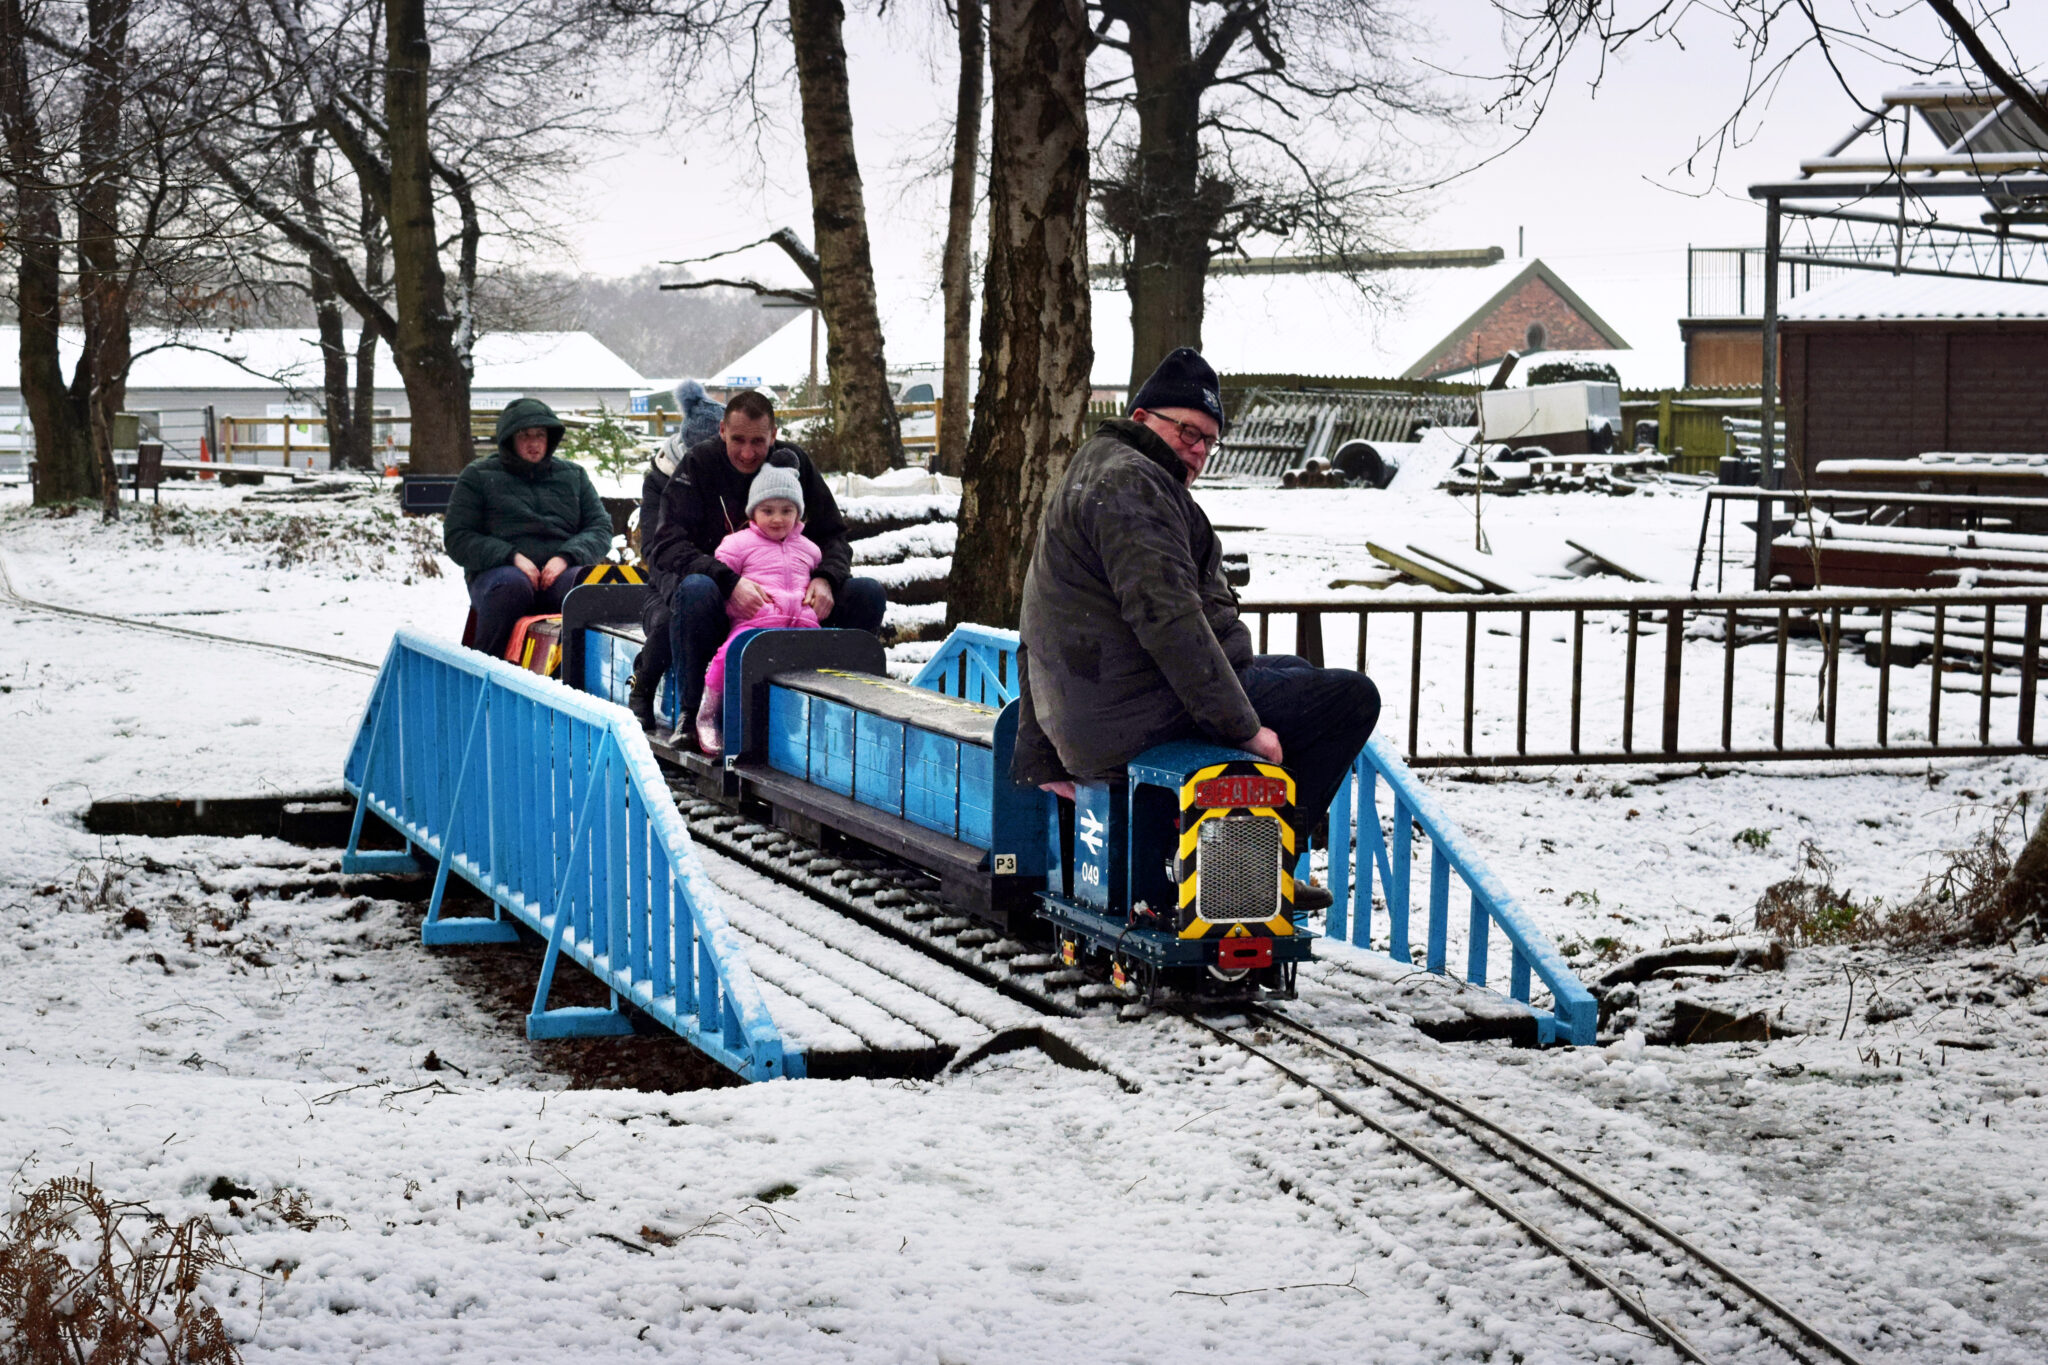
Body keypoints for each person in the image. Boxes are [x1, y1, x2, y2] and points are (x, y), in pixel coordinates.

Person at [1012, 347, 1381, 910]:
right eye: (1186, 430)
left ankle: (1257, 854)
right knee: (1351, 697)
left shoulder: (1093, 470)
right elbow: (1168, 620)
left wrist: (1040, 752)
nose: (1198, 448)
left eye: (1209, 439)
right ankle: (1259, 869)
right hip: (1138, 715)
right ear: (1142, 420)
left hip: (1106, 708)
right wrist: (1241, 729)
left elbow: (1042, 617)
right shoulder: (1135, 484)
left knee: (1299, 674)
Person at [644, 389, 887, 749]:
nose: (747, 453)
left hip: (792, 600)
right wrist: (727, 582)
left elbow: (833, 534)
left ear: (773, 435)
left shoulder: (796, 465)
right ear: (723, 430)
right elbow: (667, 544)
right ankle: (693, 711)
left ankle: (845, 705)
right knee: (695, 590)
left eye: (758, 442)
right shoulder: (699, 465)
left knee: (867, 593)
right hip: (720, 595)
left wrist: (826, 578)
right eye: (738, 440)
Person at [443, 398, 615, 659]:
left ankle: (585, 677)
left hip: (559, 574)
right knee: (512, 587)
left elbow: (600, 527)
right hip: (499, 577)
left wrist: (566, 557)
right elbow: (458, 537)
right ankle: (489, 673)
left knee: (585, 588)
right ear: (510, 438)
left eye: (540, 435)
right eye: (524, 435)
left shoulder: (574, 476)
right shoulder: (478, 476)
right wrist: (511, 557)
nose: (533, 443)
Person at [691, 466, 823, 755]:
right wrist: (733, 600)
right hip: (756, 623)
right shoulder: (738, 545)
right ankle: (709, 713)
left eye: (787, 510)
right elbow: (720, 580)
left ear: (798, 513)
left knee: (821, 661)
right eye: (768, 510)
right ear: (753, 513)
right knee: (728, 655)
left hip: (802, 625)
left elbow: (816, 579)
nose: (778, 518)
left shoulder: (810, 549)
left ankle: (810, 721)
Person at [628, 380, 725, 728]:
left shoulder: (727, 478)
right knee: (674, 619)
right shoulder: (662, 480)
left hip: (717, 579)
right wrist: (685, 592)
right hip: (668, 582)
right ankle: (643, 683)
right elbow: (656, 551)